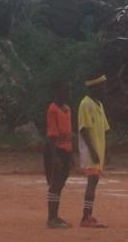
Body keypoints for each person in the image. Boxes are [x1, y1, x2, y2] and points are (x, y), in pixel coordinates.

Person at [78, 75, 110, 228]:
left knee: (94, 181)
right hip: (91, 150)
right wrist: (92, 151)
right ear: (94, 87)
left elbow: (104, 129)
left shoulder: (99, 104)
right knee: (92, 181)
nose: (104, 89)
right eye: (102, 86)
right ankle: (86, 216)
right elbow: (83, 129)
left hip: (97, 149)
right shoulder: (86, 104)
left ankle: (88, 214)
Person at [44, 82, 73, 229]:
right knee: (55, 184)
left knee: (60, 183)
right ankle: (51, 218)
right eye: (64, 90)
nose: (67, 93)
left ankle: (55, 216)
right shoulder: (53, 109)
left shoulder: (67, 109)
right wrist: (54, 156)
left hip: (65, 150)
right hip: (56, 150)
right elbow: (51, 136)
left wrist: (71, 154)